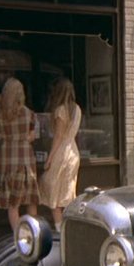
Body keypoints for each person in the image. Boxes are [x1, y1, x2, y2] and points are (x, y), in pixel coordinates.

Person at [0, 77, 39, 232]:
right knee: (31, 199)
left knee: (13, 204)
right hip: (25, 158)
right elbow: (31, 136)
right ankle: (33, 233)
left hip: (7, 158)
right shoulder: (29, 114)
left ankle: (18, 235)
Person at [39, 78, 82, 232]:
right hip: (74, 151)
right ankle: (69, 226)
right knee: (68, 191)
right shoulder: (77, 109)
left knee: (53, 190)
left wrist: (49, 159)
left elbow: (58, 137)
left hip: (62, 152)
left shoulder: (60, 111)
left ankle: (59, 228)